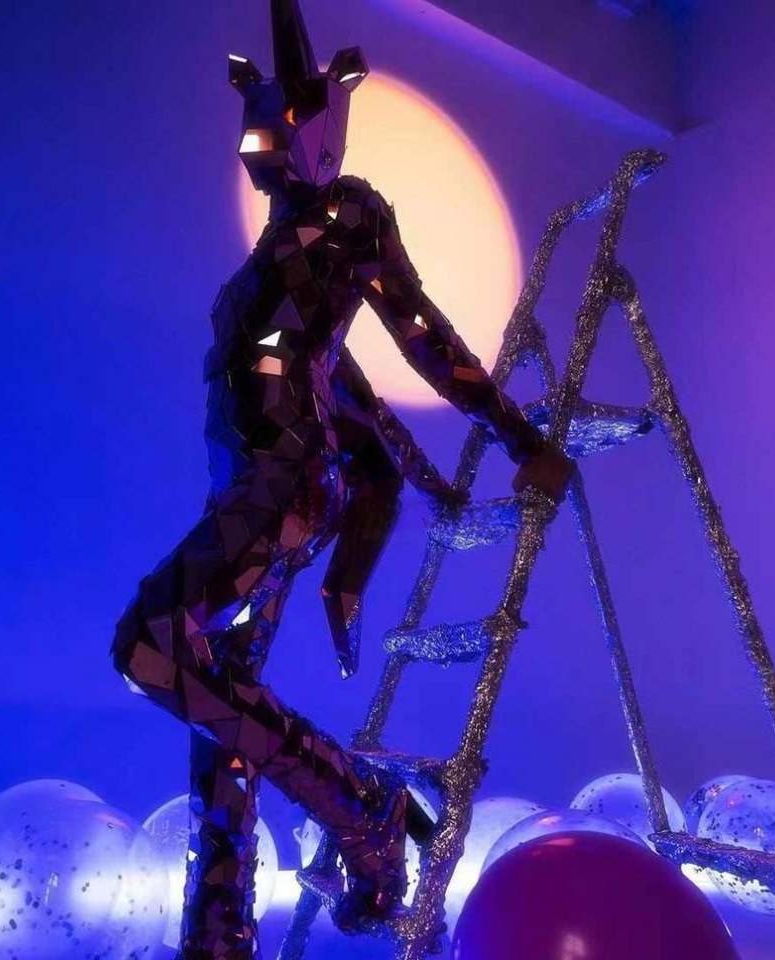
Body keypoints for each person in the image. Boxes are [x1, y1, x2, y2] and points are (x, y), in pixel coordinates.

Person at [113, 3, 573, 957]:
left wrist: (518, 435)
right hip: (248, 495)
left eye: (285, 121)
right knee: (220, 708)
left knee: (150, 648)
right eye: (257, 124)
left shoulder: (350, 216)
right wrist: (411, 473)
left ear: (327, 121)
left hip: (282, 492)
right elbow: (345, 385)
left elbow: (422, 332)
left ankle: (361, 805)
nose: (261, 145)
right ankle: (219, 931)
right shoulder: (277, 259)